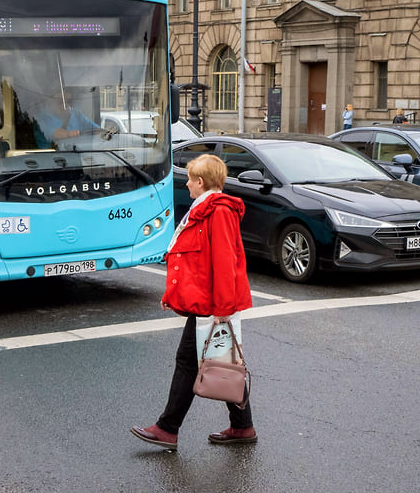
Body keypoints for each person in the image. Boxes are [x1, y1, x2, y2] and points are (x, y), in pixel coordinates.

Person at [131, 154, 255, 450]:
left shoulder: (218, 211)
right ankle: (242, 427)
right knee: (219, 362)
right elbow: (193, 262)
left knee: (192, 362)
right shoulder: (205, 208)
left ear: (200, 183)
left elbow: (225, 263)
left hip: (215, 306)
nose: (186, 184)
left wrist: (223, 310)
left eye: (189, 179)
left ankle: (167, 428)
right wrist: (171, 295)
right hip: (208, 303)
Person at [33, 92, 101, 148]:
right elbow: (56, 133)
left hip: (77, 154)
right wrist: (69, 134)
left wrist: (105, 132)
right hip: (48, 158)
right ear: (50, 102)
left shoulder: (76, 114)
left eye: (68, 101)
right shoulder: (43, 118)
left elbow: (94, 128)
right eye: (60, 102)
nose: (66, 105)